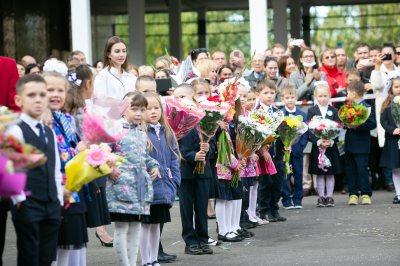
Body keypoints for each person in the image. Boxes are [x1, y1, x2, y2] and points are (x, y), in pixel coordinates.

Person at [7, 74, 64, 266]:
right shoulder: (16, 130)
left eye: (42, 94)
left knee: (47, 257)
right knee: (30, 256)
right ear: (18, 100)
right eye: (31, 95)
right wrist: (20, 200)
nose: (38, 99)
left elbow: (55, 167)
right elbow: (11, 170)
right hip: (28, 204)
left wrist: (58, 198)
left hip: (50, 203)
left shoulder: (48, 131)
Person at [107, 91, 160, 266]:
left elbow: (145, 156)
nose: (139, 113)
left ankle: (133, 263)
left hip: (140, 188)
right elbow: (101, 153)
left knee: (136, 229)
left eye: (142, 110)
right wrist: (109, 170)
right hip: (121, 186)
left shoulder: (141, 132)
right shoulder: (114, 129)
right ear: (123, 109)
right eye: (134, 109)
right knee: (122, 229)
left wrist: (154, 166)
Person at [42, 71, 89, 266]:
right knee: (56, 246)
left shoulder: (67, 118)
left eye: (60, 90)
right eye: (49, 90)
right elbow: (51, 155)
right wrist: (76, 151)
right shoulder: (42, 121)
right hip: (54, 191)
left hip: (73, 190)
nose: (55, 94)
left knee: (72, 245)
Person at [65, 65, 114, 248]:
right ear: (87, 84)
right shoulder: (78, 110)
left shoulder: (79, 107)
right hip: (80, 165)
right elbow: (81, 141)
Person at [141, 93, 181, 266]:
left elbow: (174, 157)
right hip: (147, 187)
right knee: (145, 225)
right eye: (147, 108)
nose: (153, 111)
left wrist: (174, 181)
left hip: (164, 186)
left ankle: (154, 259)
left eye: (156, 107)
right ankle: (145, 260)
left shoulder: (166, 132)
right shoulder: (141, 133)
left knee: (157, 223)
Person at [178, 79, 215, 255]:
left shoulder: (207, 116)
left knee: (201, 206)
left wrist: (208, 148)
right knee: (186, 208)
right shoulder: (177, 119)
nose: (201, 97)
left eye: (204, 93)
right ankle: (190, 241)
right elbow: (176, 145)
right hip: (186, 170)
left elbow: (213, 143)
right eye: (198, 93)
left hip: (203, 171)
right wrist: (193, 156)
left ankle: (203, 238)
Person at [255, 79, 287, 222]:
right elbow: (254, 133)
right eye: (265, 93)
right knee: (265, 183)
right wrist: (261, 148)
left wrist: (287, 143)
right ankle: (264, 210)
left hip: (277, 154)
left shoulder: (278, 112)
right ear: (258, 94)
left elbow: (282, 132)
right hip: (264, 155)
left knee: (277, 182)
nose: (269, 96)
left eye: (272, 93)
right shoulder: (256, 112)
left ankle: (274, 209)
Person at [307, 83, 342, 207]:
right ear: (315, 96)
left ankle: (330, 197)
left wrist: (331, 141)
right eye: (320, 96)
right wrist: (318, 141)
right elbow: (309, 130)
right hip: (318, 147)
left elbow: (338, 127)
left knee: (330, 173)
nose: (322, 98)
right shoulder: (311, 111)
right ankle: (321, 197)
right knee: (320, 173)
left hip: (331, 147)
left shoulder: (334, 110)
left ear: (330, 96)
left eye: (325, 96)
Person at [345, 81, 377, 205]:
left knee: (362, 170)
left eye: (348, 92)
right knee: (350, 171)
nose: (346, 95)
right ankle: (353, 194)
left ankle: (365, 194)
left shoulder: (367, 107)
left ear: (353, 94)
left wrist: (357, 126)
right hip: (349, 145)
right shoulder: (347, 107)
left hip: (362, 146)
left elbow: (372, 124)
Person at [280, 85, 308, 209]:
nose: (290, 100)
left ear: (296, 98)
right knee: (285, 175)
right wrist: (283, 145)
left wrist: (300, 145)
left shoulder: (302, 114)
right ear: (282, 99)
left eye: (292, 97)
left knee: (298, 174)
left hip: (297, 150)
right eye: (287, 97)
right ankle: (286, 199)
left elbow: (305, 132)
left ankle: (298, 199)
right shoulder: (280, 113)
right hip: (284, 150)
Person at [371, 44, 399, 148]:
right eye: (383, 54)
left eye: (389, 54)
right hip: (385, 111)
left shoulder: (399, 70)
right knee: (387, 143)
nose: (386, 57)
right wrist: (377, 66)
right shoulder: (378, 71)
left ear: (395, 56)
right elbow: (376, 86)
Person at [379, 72, 400, 203]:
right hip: (393, 140)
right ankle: (399, 194)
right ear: (390, 88)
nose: (399, 89)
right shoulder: (386, 104)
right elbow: (383, 121)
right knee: (396, 168)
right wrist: (393, 130)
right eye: (397, 87)